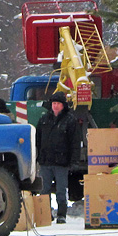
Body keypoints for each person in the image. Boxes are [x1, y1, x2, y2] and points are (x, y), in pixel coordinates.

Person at [35, 90, 80, 223]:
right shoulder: (43, 120)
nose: (55, 106)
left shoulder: (70, 121)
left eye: (58, 104)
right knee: (44, 190)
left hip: (62, 162)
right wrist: (38, 157)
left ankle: (61, 214)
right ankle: (46, 214)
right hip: (45, 161)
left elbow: (75, 142)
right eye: (53, 103)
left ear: (63, 105)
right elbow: (37, 139)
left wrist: (74, 161)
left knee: (61, 190)